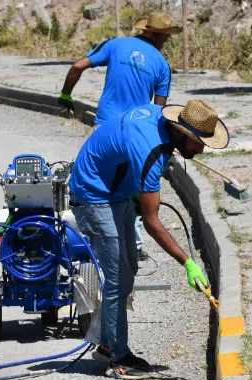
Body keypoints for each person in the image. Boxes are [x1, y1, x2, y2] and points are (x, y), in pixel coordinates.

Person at [68, 100, 230, 379]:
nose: (202, 149)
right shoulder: (151, 151)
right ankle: (118, 360)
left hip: (117, 191)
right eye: (199, 142)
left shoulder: (162, 124)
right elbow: (153, 223)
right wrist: (188, 263)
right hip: (94, 195)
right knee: (118, 279)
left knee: (128, 272)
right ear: (182, 133)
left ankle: (107, 345)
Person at [58, 12, 181, 260]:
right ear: (156, 34)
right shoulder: (161, 65)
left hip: (106, 128)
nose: (165, 41)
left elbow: (77, 66)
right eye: (165, 37)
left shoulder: (115, 45)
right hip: (134, 132)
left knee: (100, 181)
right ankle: (132, 246)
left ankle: (88, 235)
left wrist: (66, 95)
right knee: (134, 186)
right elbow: (160, 111)